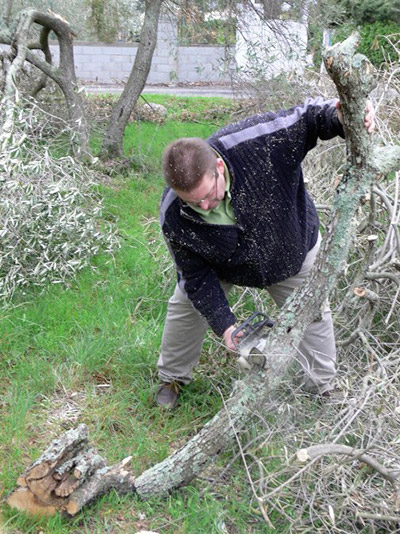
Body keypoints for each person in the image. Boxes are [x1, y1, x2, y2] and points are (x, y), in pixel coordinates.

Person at [157, 97, 375, 409]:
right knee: (186, 305)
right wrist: (226, 327)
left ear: (218, 166)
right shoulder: (173, 215)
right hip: (223, 265)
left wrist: (342, 115)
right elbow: (196, 276)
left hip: (291, 250)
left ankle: (323, 389)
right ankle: (172, 378)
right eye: (193, 202)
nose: (204, 206)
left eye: (208, 195)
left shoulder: (260, 142)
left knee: (312, 315)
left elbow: (310, 118)